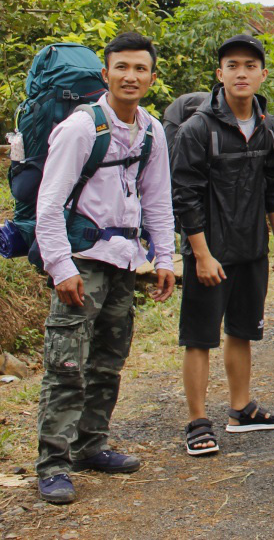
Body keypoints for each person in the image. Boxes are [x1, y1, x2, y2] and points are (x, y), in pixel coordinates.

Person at [33, 32, 177, 505]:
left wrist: (164, 258)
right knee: (67, 364)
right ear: (106, 74)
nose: (130, 76)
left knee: (108, 362)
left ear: (152, 78)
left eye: (140, 69)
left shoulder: (152, 131)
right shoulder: (81, 128)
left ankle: (90, 445)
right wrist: (60, 267)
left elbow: (158, 200)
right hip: (81, 262)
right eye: (122, 68)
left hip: (124, 263)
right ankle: (52, 464)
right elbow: (49, 205)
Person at [170, 35, 274, 457]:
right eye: (232, 65)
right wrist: (201, 255)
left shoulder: (269, 127)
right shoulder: (197, 129)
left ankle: (241, 409)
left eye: (250, 66)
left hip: (252, 247)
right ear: (219, 74)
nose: (242, 73)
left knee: (243, 330)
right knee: (200, 337)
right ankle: (197, 421)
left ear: (262, 74)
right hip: (210, 250)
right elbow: (184, 196)